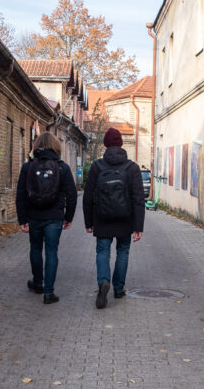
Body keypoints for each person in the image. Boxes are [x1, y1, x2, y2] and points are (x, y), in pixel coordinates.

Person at [83, 127, 145, 309]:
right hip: (125, 219)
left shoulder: (97, 167)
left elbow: (87, 197)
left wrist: (88, 222)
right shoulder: (132, 168)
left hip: (102, 219)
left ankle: (103, 282)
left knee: (102, 251)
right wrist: (138, 226)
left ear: (105, 145)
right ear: (120, 144)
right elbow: (139, 199)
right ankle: (118, 289)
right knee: (123, 252)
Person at [15, 132, 77, 304]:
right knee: (51, 252)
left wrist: (22, 219)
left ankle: (37, 283)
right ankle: (49, 293)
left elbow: (20, 195)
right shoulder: (62, 168)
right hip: (54, 218)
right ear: (56, 147)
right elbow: (72, 195)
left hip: (33, 216)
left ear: (36, 146)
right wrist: (68, 217)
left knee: (35, 249)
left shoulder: (28, 168)